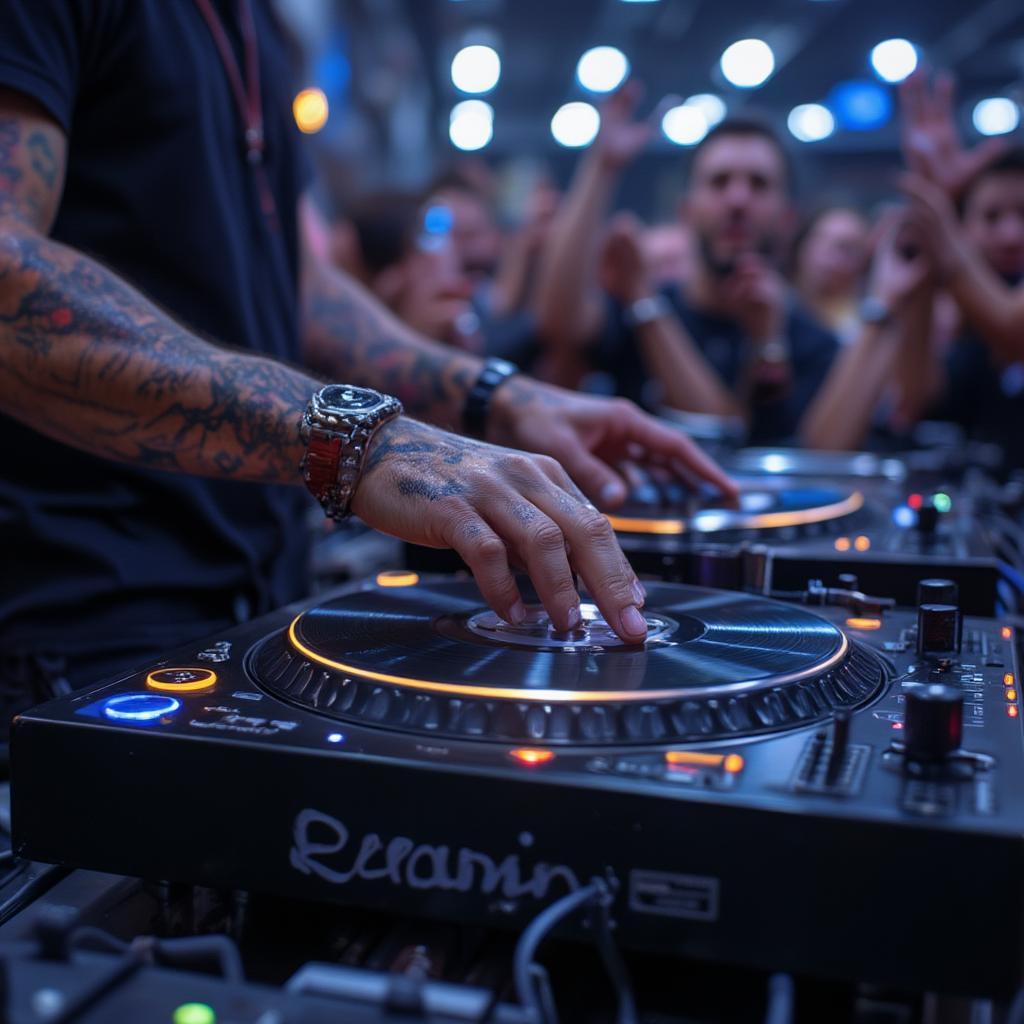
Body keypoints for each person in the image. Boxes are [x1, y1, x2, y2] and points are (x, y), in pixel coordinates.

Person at [0, 1, 734, 728]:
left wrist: (493, 393)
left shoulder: (254, 31)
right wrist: (362, 438)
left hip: (249, 602)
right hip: (83, 616)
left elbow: (301, 285)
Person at [535, 84, 928, 449]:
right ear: (686, 212)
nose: (738, 199)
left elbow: (811, 454)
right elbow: (558, 321)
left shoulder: (813, 341)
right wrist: (601, 167)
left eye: (758, 184)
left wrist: (767, 344)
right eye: (719, 182)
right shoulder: (638, 308)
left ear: (788, 217)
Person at [791, 206, 872, 345]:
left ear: (863, 263)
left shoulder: (865, 330)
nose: (827, 253)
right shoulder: (771, 302)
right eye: (820, 239)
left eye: (846, 247)